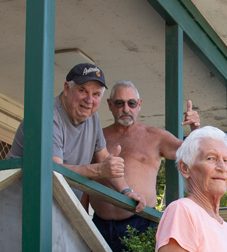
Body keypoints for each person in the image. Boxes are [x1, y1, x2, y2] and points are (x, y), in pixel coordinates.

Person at [88, 80, 200, 252]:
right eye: (119, 103)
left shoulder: (155, 136)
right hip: (100, 226)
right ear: (110, 105)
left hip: (140, 223)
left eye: (131, 103)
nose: (125, 109)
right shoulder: (98, 136)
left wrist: (195, 129)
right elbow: (86, 180)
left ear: (139, 105)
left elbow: (191, 155)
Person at [7, 64, 145, 214]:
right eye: (82, 90)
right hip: (20, 211)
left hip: (56, 211)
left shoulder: (92, 118)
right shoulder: (47, 116)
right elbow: (54, 172)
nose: (89, 100)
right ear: (67, 88)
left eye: (96, 94)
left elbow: (103, 158)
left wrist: (126, 191)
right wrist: (100, 170)